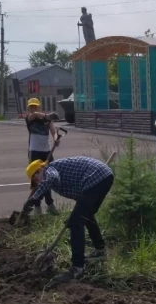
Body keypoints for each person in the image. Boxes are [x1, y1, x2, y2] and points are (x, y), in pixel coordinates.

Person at [22, 156, 114, 285]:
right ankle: (100, 250)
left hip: (96, 177)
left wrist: (34, 199)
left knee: (76, 223)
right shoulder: (52, 176)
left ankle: (77, 267)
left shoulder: (50, 169)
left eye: (36, 179)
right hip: (103, 177)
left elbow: (51, 178)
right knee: (86, 216)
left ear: (39, 170)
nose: (38, 183)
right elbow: (79, 195)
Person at [25, 98, 59, 215]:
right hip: (34, 152)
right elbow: (34, 115)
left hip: (46, 152)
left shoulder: (47, 120)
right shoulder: (30, 118)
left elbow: (53, 132)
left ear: (39, 106)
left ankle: (50, 204)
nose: (33, 108)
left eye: (35, 106)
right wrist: (47, 116)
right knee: (36, 179)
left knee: (48, 177)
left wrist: (55, 139)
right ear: (29, 108)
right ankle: (37, 206)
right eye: (31, 106)